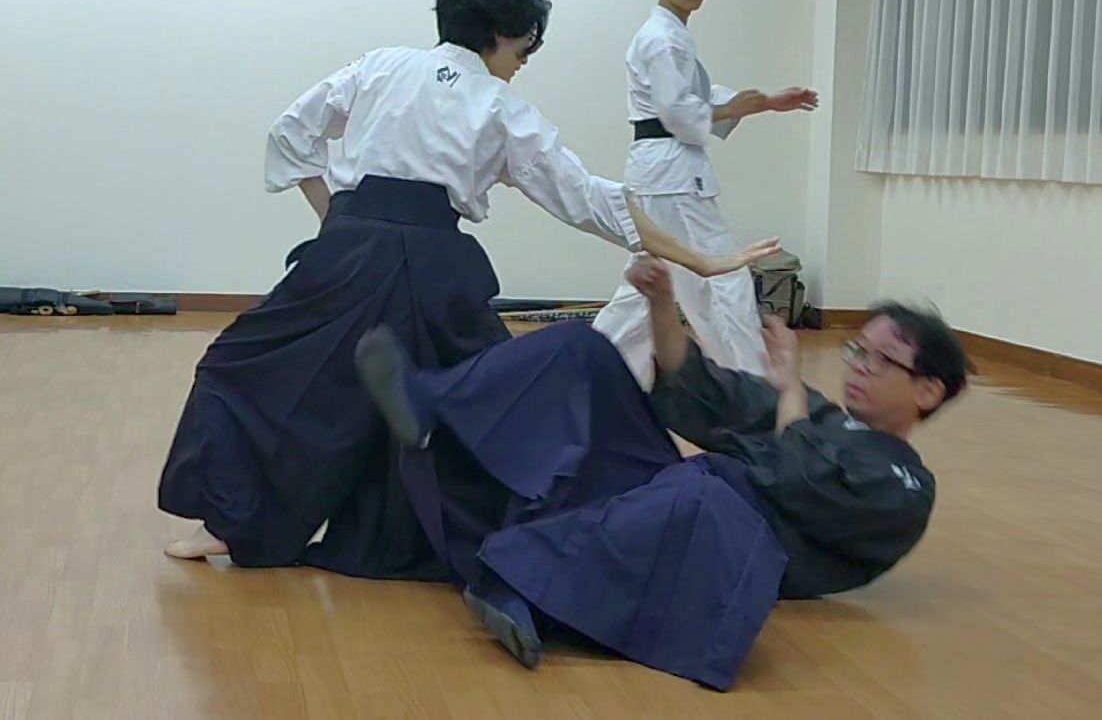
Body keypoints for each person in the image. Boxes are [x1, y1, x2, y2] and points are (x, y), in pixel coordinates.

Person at [157, 0, 779, 581]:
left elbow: (291, 133)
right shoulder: (501, 107)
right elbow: (587, 197)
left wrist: (334, 220)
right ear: (500, 36)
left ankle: (230, 521)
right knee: (485, 405)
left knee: (252, 369)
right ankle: (526, 541)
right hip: (433, 271)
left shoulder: (380, 66)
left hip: (347, 253)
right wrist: (702, 258)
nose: (522, 63)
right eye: (524, 49)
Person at [355, 256, 971, 688]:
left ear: (927, 390)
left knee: (712, 490)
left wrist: (788, 389)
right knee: (585, 350)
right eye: (858, 350)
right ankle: (430, 402)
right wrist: (662, 304)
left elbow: (797, 480)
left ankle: (521, 585)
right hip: (672, 494)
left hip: (713, 535)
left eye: (882, 360)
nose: (859, 366)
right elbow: (702, 391)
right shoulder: (815, 412)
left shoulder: (907, 487)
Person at [592, 0, 819, 387]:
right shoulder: (663, 39)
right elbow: (676, 110)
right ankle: (751, 385)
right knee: (723, 279)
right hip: (672, 178)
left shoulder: (670, 36)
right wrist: (734, 108)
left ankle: (590, 369)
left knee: (649, 283)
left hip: (663, 173)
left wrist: (763, 102)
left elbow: (694, 97)